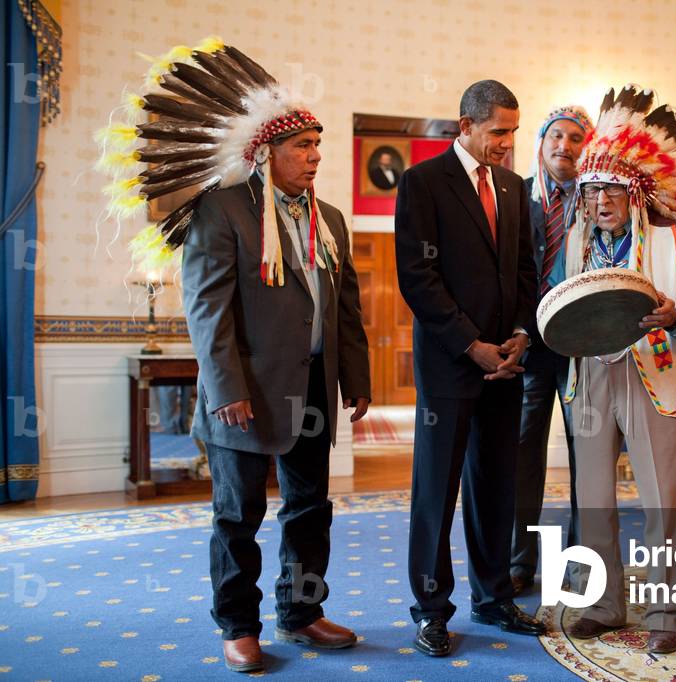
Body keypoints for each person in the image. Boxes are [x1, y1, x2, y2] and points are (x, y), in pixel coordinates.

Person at [96, 39, 373, 673]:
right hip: (242, 393)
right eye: (302, 146)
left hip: (311, 390)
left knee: (309, 510)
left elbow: (344, 307)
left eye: (317, 145)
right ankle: (239, 625)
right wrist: (225, 391)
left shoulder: (329, 218)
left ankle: (301, 612)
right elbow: (207, 310)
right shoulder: (222, 212)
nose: (315, 156)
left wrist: (354, 378)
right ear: (267, 153)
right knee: (237, 516)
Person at [554, 85, 676, 655]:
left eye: (611, 188)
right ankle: (603, 605)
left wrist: (675, 315)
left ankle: (668, 611)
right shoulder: (575, 244)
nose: (600, 200)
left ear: (635, 191)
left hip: (656, 375)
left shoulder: (672, 240)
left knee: (663, 497)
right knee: (592, 496)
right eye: (590, 191)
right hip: (591, 378)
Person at [395, 79, 544, 658]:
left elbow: (526, 271)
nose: (508, 143)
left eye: (513, 131)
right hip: (451, 367)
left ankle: (493, 596)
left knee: (494, 489)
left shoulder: (512, 187)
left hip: (507, 367)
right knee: (436, 492)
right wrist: (471, 345)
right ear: (466, 126)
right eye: (498, 132)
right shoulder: (423, 183)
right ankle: (431, 610)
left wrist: (518, 337)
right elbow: (418, 279)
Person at [511, 105, 593, 595]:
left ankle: (583, 562)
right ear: (541, 143)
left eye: (575, 138)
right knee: (523, 454)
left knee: (590, 453)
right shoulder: (515, 196)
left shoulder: (598, 199)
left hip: (583, 343)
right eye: (555, 136)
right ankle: (519, 561)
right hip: (530, 343)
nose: (564, 145)